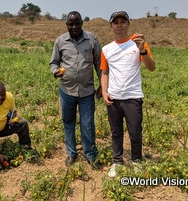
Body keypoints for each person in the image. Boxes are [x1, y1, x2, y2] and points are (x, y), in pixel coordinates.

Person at [100, 11, 156, 177]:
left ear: (128, 24)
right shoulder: (106, 49)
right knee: (116, 132)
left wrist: (142, 51)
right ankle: (117, 162)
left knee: (135, 132)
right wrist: (104, 92)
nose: (119, 25)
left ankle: (136, 160)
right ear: (111, 26)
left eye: (123, 22)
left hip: (132, 97)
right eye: (115, 22)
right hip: (114, 97)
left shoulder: (138, 44)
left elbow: (151, 67)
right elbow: (104, 72)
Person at [50, 11, 102, 170]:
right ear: (66, 24)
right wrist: (55, 71)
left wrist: (102, 85)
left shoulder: (92, 39)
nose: (74, 26)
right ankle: (71, 153)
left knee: (87, 124)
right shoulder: (60, 41)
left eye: (77, 23)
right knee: (68, 122)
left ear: (82, 23)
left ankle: (90, 154)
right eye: (70, 24)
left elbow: (99, 64)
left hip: (87, 91)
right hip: (67, 91)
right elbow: (53, 62)